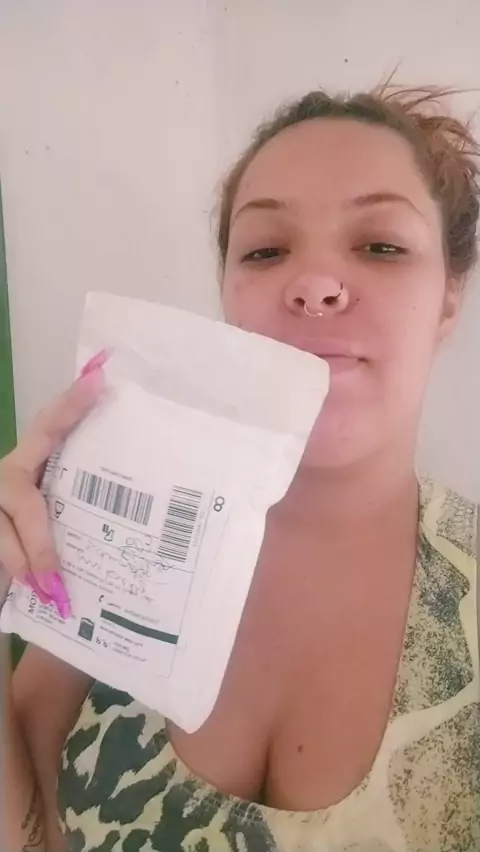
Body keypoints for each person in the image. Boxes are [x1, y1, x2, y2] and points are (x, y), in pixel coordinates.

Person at [1, 84, 479, 852]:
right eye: (265, 250)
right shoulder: (109, 535)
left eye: (381, 245)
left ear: (449, 298)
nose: (314, 284)